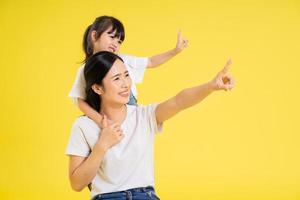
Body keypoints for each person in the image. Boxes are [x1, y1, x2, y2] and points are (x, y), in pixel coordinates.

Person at [65, 51, 235, 200]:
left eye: (126, 75)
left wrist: (211, 86)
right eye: (117, 79)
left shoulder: (144, 116)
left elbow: (179, 101)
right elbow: (77, 183)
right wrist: (102, 145)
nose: (126, 84)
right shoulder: (83, 126)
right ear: (97, 88)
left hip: (144, 196)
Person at [69, 16, 188, 126]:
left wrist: (175, 51)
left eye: (119, 41)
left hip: (130, 111)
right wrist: (100, 120)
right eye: (112, 37)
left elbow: (151, 61)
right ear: (94, 36)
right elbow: (79, 100)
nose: (115, 44)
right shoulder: (85, 69)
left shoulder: (123, 60)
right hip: (106, 119)